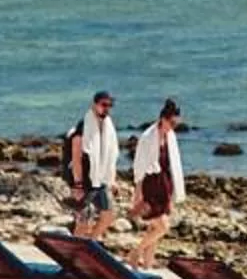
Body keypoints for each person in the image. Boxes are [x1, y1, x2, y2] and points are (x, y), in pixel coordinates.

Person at [128, 97, 185, 266]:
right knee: (162, 227)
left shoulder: (170, 136)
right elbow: (139, 168)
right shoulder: (148, 137)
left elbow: (173, 165)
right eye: (172, 123)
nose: (173, 127)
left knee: (154, 228)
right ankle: (135, 252)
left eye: (176, 124)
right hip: (151, 187)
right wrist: (138, 194)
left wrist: (173, 193)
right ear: (163, 119)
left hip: (164, 186)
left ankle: (148, 264)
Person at [67, 91, 119, 238]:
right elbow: (76, 157)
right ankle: (73, 249)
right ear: (94, 105)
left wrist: (112, 179)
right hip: (85, 180)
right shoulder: (84, 126)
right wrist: (77, 184)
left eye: (109, 105)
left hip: (100, 179)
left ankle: (90, 242)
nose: (107, 108)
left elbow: (111, 154)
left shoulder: (108, 127)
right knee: (84, 221)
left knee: (108, 215)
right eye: (104, 105)